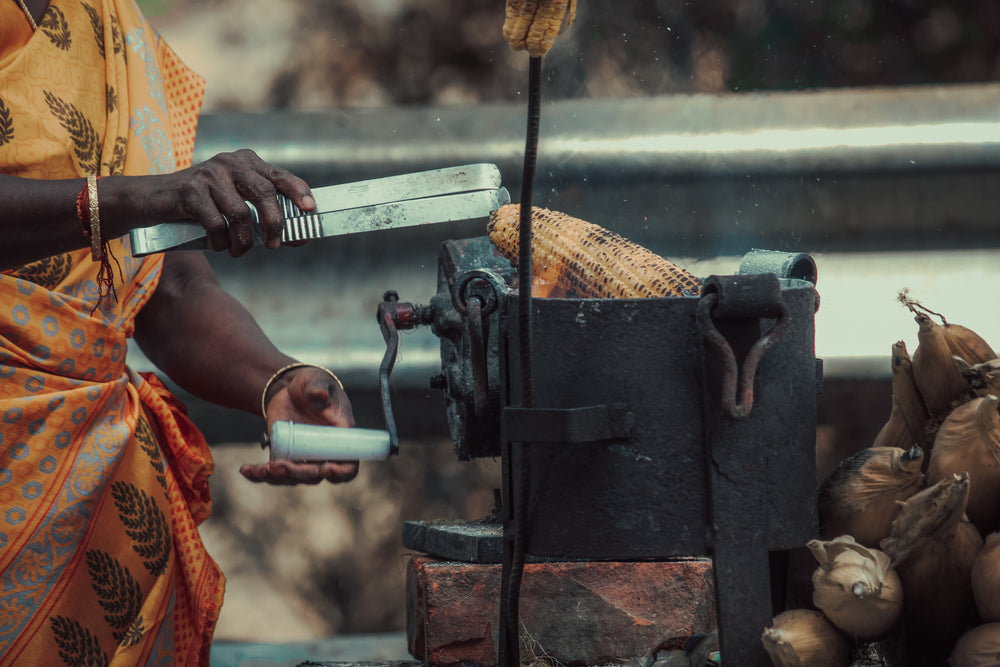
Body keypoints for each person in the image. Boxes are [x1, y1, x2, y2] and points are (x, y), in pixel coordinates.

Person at [1, 0, 361, 664]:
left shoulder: (105, 21)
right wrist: (136, 197)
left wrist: (275, 379)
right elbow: (132, 204)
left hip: (95, 511)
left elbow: (169, 288)